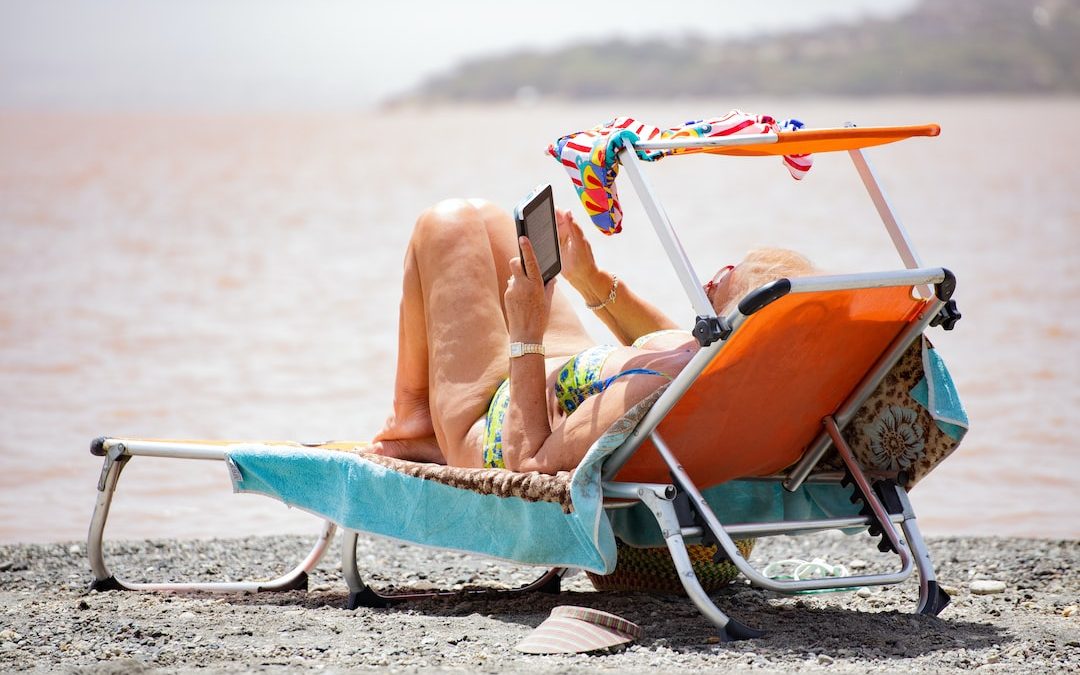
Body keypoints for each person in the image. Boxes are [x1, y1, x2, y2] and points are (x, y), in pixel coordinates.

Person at [369, 198, 814, 474]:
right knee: (489, 217)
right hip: (567, 370)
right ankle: (419, 419)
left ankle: (414, 417)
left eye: (724, 280)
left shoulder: (653, 388)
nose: (710, 283)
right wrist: (589, 277)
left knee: (444, 222)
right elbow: (665, 339)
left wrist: (525, 326)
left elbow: (530, 463)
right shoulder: (718, 364)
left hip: (497, 423)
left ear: (736, 314)